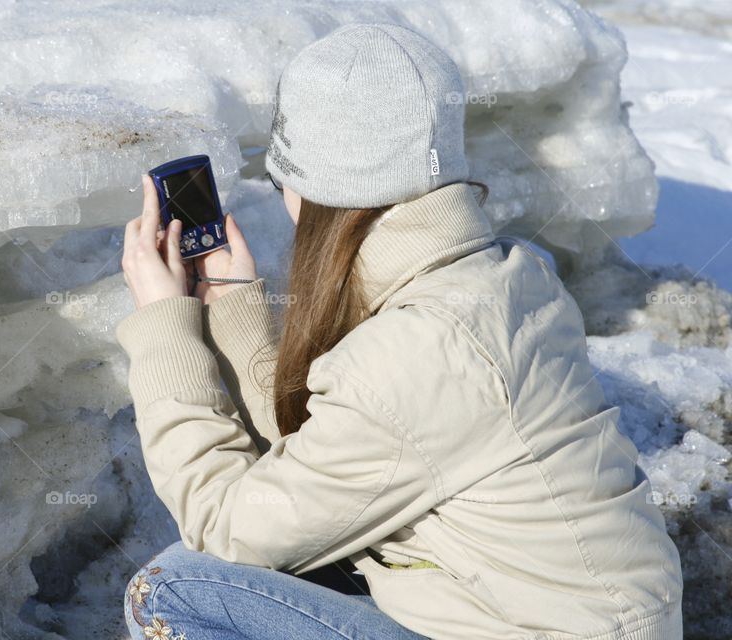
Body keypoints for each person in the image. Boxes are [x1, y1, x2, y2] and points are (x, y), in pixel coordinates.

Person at [115, 22, 683, 640]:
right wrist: (232, 306)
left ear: (314, 189)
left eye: (284, 182)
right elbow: (326, 464)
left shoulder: (420, 351)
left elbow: (222, 525)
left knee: (175, 588)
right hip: (553, 614)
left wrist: (164, 331)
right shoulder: (509, 276)